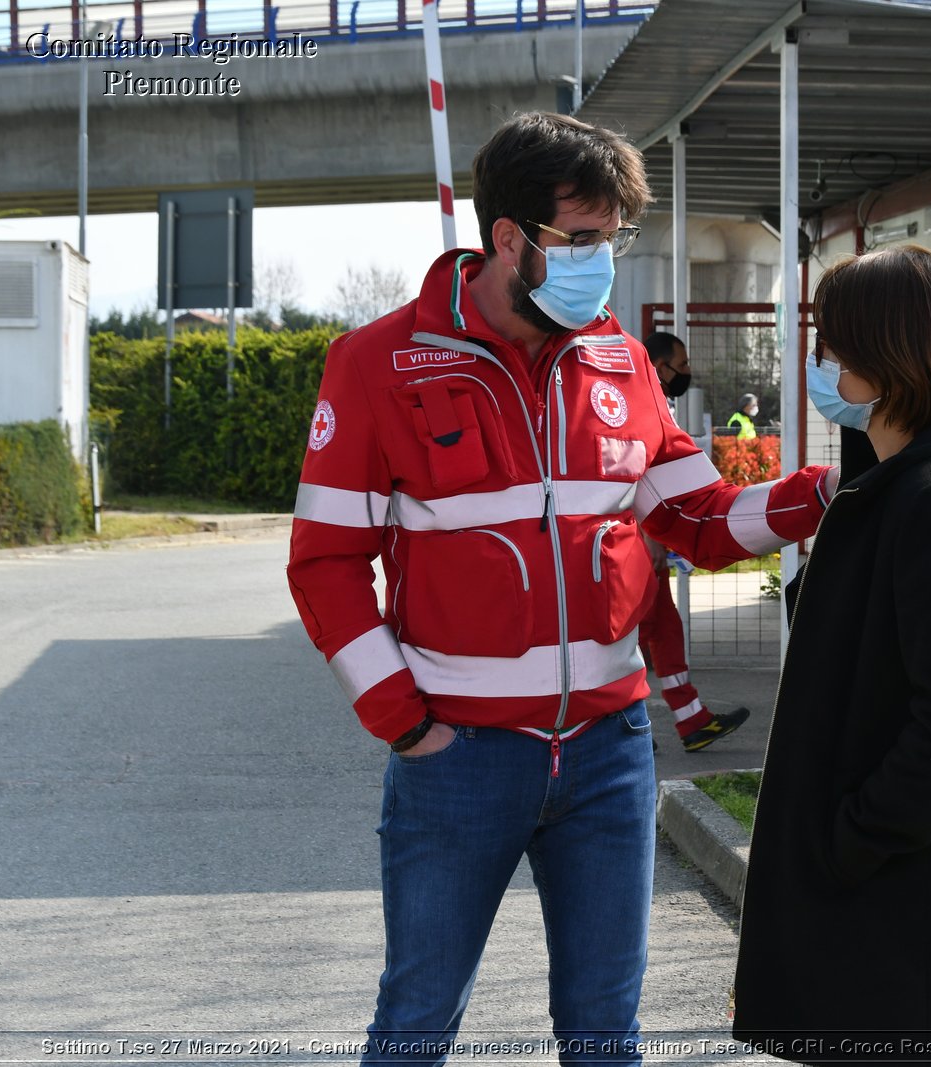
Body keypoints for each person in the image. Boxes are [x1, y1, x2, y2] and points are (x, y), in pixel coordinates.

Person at [286, 112, 837, 1065]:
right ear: (508, 238)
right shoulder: (375, 363)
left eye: (613, 241)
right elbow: (326, 560)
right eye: (580, 241)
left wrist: (826, 493)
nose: (602, 264)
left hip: (609, 754)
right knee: (417, 1020)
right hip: (456, 759)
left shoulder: (620, 359)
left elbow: (699, 519)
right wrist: (405, 720)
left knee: (604, 1031)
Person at [733, 245, 931, 1067]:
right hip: (894, 911)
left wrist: (852, 837)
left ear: (886, 354)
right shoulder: (904, 480)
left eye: (832, 344)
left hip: (906, 922)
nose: (820, 364)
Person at [641, 330, 752, 751]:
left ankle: (693, 722)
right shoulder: (644, 403)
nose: (687, 373)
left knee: (664, 630)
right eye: (682, 365)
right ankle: (621, 724)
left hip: (648, 536)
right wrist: (653, 537)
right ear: (660, 367)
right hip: (641, 536)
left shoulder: (656, 400)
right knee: (639, 631)